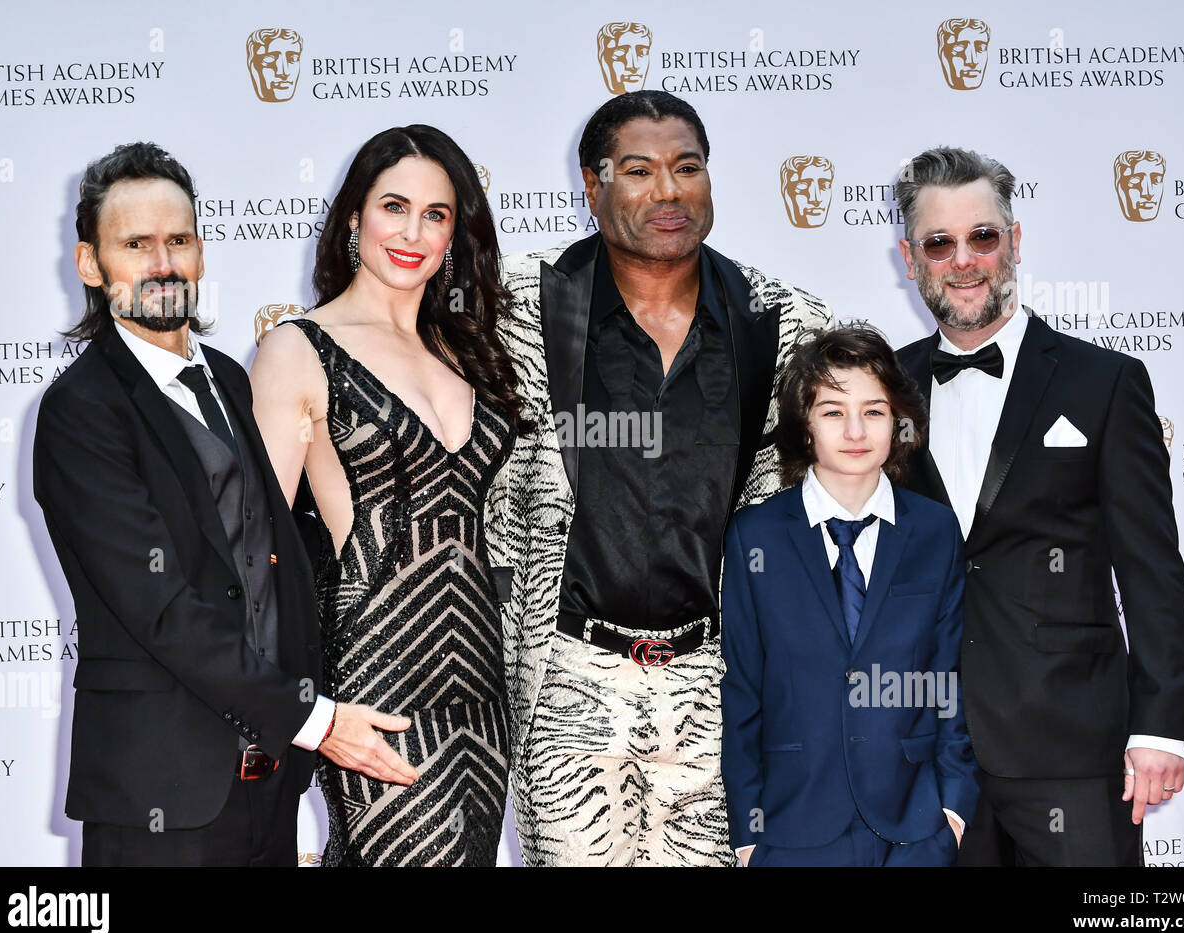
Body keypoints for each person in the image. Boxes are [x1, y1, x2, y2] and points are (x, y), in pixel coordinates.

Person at [33, 142, 412, 866]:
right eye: (135, 245)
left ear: (201, 251)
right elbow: (160, 608)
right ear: (91, 265)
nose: (163, 264)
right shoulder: (80, 410)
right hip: (160, 799)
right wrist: (315, 718)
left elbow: (275, 557)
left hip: (268, 786)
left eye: (177, 240)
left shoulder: (233, 381)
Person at [486, 90, 833, 866]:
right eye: (637, 170)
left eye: (688, 168)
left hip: (717, 683)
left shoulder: (784, 323)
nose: (668, 191)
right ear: (592, 184)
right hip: (568, 682)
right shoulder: (509, 308)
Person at [894, 145, 1184, 866]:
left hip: (1075, 752)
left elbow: (1150, 566)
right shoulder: (885, 388)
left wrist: (1159, 727)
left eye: (983, 237)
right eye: (940, 243)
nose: (963, 260)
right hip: (927, 756)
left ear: (1015, 242)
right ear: (910, 259)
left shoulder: (1106, 382)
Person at [251, 125, 527, 866]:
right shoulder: (297, 348)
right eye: (393, 207)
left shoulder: (466, 349)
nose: (413, 232)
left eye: (436, 214)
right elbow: (256, 551)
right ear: (353, 217)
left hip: (478, 684)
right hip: (377, 672)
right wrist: (308, 711)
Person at [721, 324, 977, 866]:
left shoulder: (935, 531)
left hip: (914, 826)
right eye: (834, 411)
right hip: (792, 827)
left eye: (875, 411)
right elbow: (743, 688)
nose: (855, 429)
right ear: (805, 426)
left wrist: (953, 809)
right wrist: (748, 832)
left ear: (896, 422)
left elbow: (950, 676)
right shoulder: (756, 535)